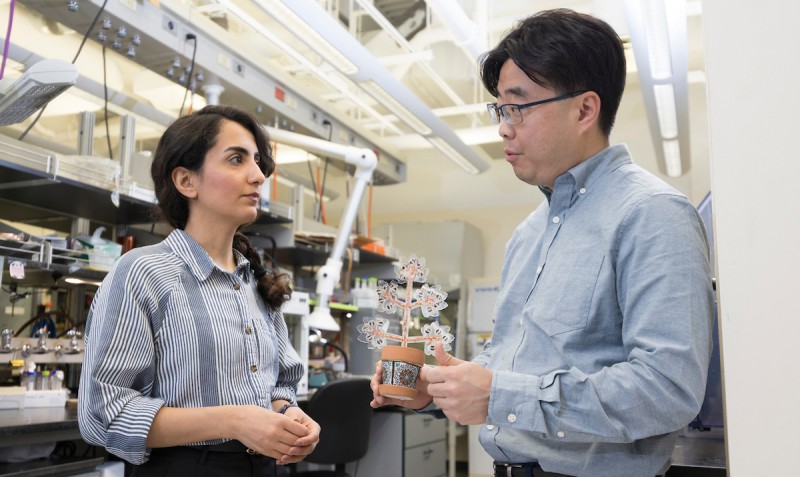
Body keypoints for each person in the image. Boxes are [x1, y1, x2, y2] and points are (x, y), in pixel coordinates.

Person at [370, 9, 714, 477]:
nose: (503, 128)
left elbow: (666, 389)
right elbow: (514, 358)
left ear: (585, 109)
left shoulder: (652, 214)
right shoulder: (531, 232)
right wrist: (442, 384)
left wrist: (497, 395)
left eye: (518, 107)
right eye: (499, 109)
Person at [79, 105, 320, 476]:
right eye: (236, 159)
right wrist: (234, 420)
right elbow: (106, 413)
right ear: (186, 181)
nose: (258, 175)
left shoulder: (254, 279)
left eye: (257, 161)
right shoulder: (143, 273)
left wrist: (290, 416)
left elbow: (276, 388)